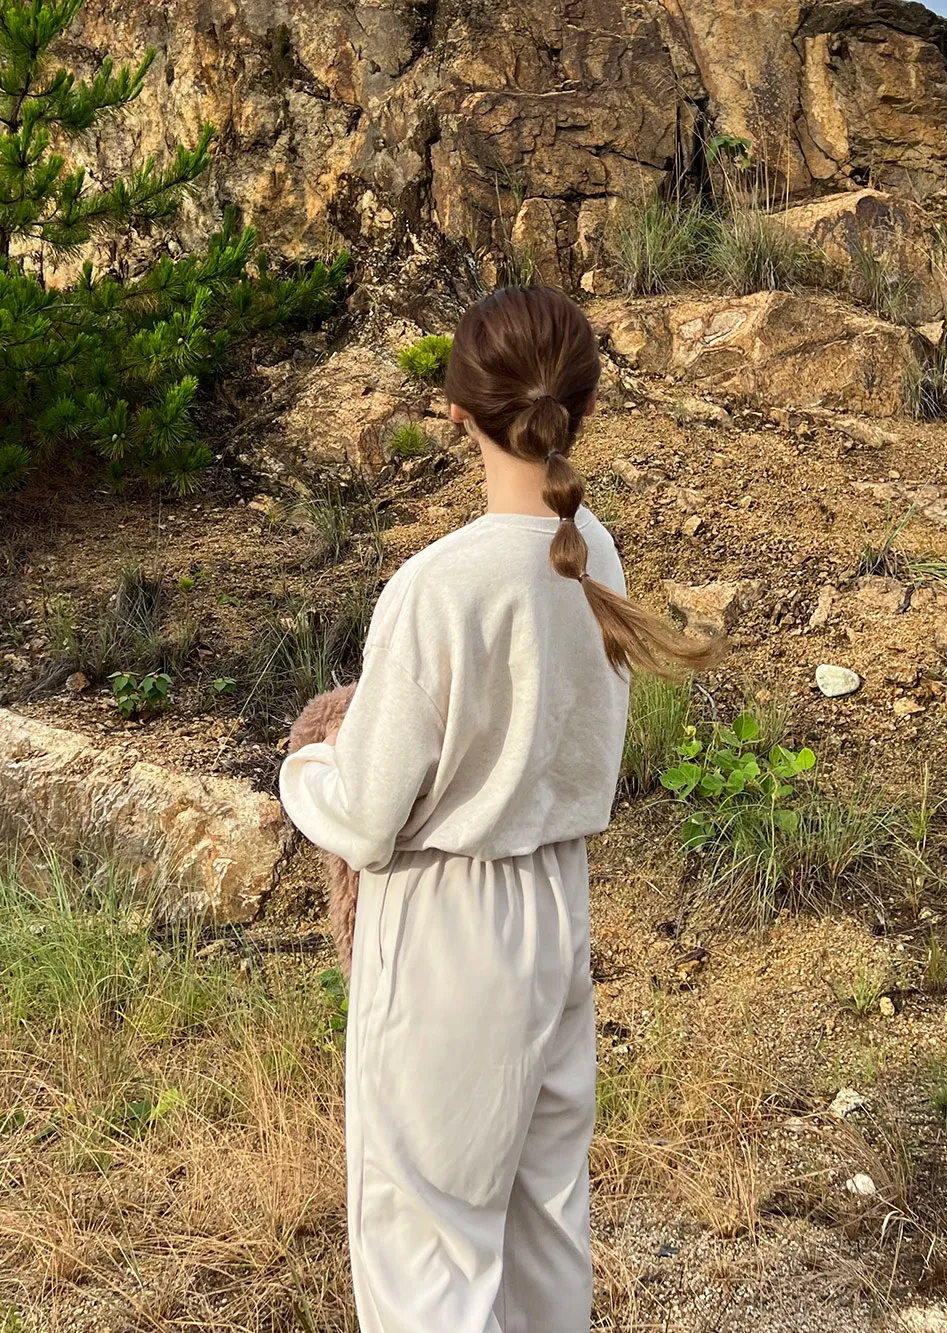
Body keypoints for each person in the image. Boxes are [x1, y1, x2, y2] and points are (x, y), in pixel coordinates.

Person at [279, 285, 717, 1332]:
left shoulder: (438, 585)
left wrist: (305, 768)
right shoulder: (589, 550)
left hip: (445, 922)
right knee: (543, 1225)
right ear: (586, 406)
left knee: (430, 1248)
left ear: (457, 411)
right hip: (555, 906)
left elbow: (369, 813)